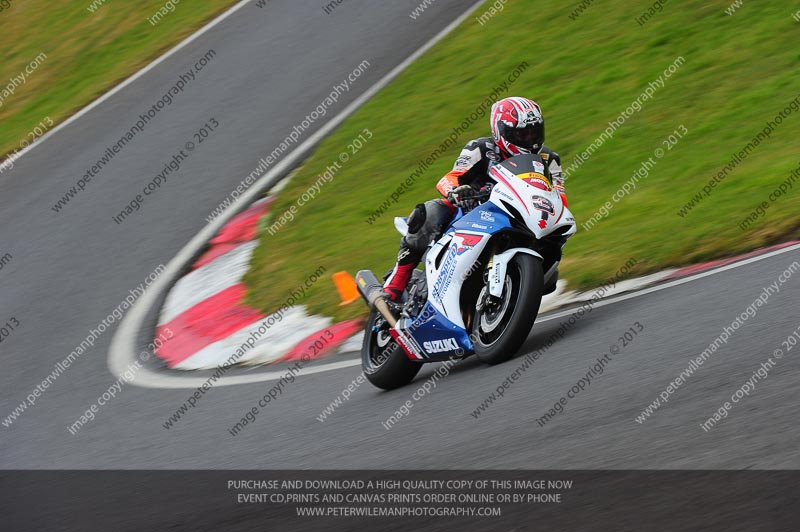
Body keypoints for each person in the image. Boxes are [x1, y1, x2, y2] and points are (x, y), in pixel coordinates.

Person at [383, 96, 568, 301]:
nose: (530, 139)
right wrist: (457, 191)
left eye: (535, 132)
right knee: (431, 210)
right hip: (474, 212)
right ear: (501, 132)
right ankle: (396, 282)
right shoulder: (480, 148)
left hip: (520, 216)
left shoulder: (549, 159)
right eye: (523, 134)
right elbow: (450, 177)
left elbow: (558, 195)